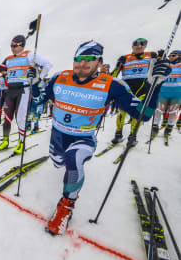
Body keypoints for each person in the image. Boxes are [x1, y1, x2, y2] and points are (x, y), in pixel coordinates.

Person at [37, 40, 170, 235]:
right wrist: (33, 83)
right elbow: (38, 99)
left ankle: (65, 208)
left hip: (83, 138)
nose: (82, 64)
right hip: (57, 137)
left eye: (89, 59)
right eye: (78, 59)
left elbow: (144, 113)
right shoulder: (59, 78)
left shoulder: (112, 84)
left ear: (99, 62)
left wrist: (154, 86)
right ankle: (65, 170)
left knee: (74, 161)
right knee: (58, 162)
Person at [0, 34, 52, 154]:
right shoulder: (8, 58)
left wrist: (38, 78)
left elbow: (48, 64)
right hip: (11, 90)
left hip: (24, 89)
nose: (12, 48)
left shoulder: (29, 55)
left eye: (15, 46)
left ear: (22, 45)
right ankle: (5, 140)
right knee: (7, 118)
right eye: (11, 46)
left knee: (20, 118)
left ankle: (21, 142)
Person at [110, 38, 161, 145]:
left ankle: (132, 137)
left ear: (145, 46)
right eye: (136, 44)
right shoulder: (124, 58)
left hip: (143, 89)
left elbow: (160, 65)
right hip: (127, 89)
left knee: (137, 114)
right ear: (132, 46)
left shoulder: (152, 55)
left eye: (142, 45)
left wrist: (162, 57)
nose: (139, 46)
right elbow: (115, 73)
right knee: (121, 113)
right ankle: (118, 134)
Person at [151, 50, 181, 138]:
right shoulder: (166, 64)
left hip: (177, 93)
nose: (170, 57)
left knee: (173, 111)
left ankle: (169, 128)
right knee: (158, 110)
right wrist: (160, 58)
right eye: (169, 56)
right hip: (163, 92)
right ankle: (155, 126)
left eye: (173, 55)